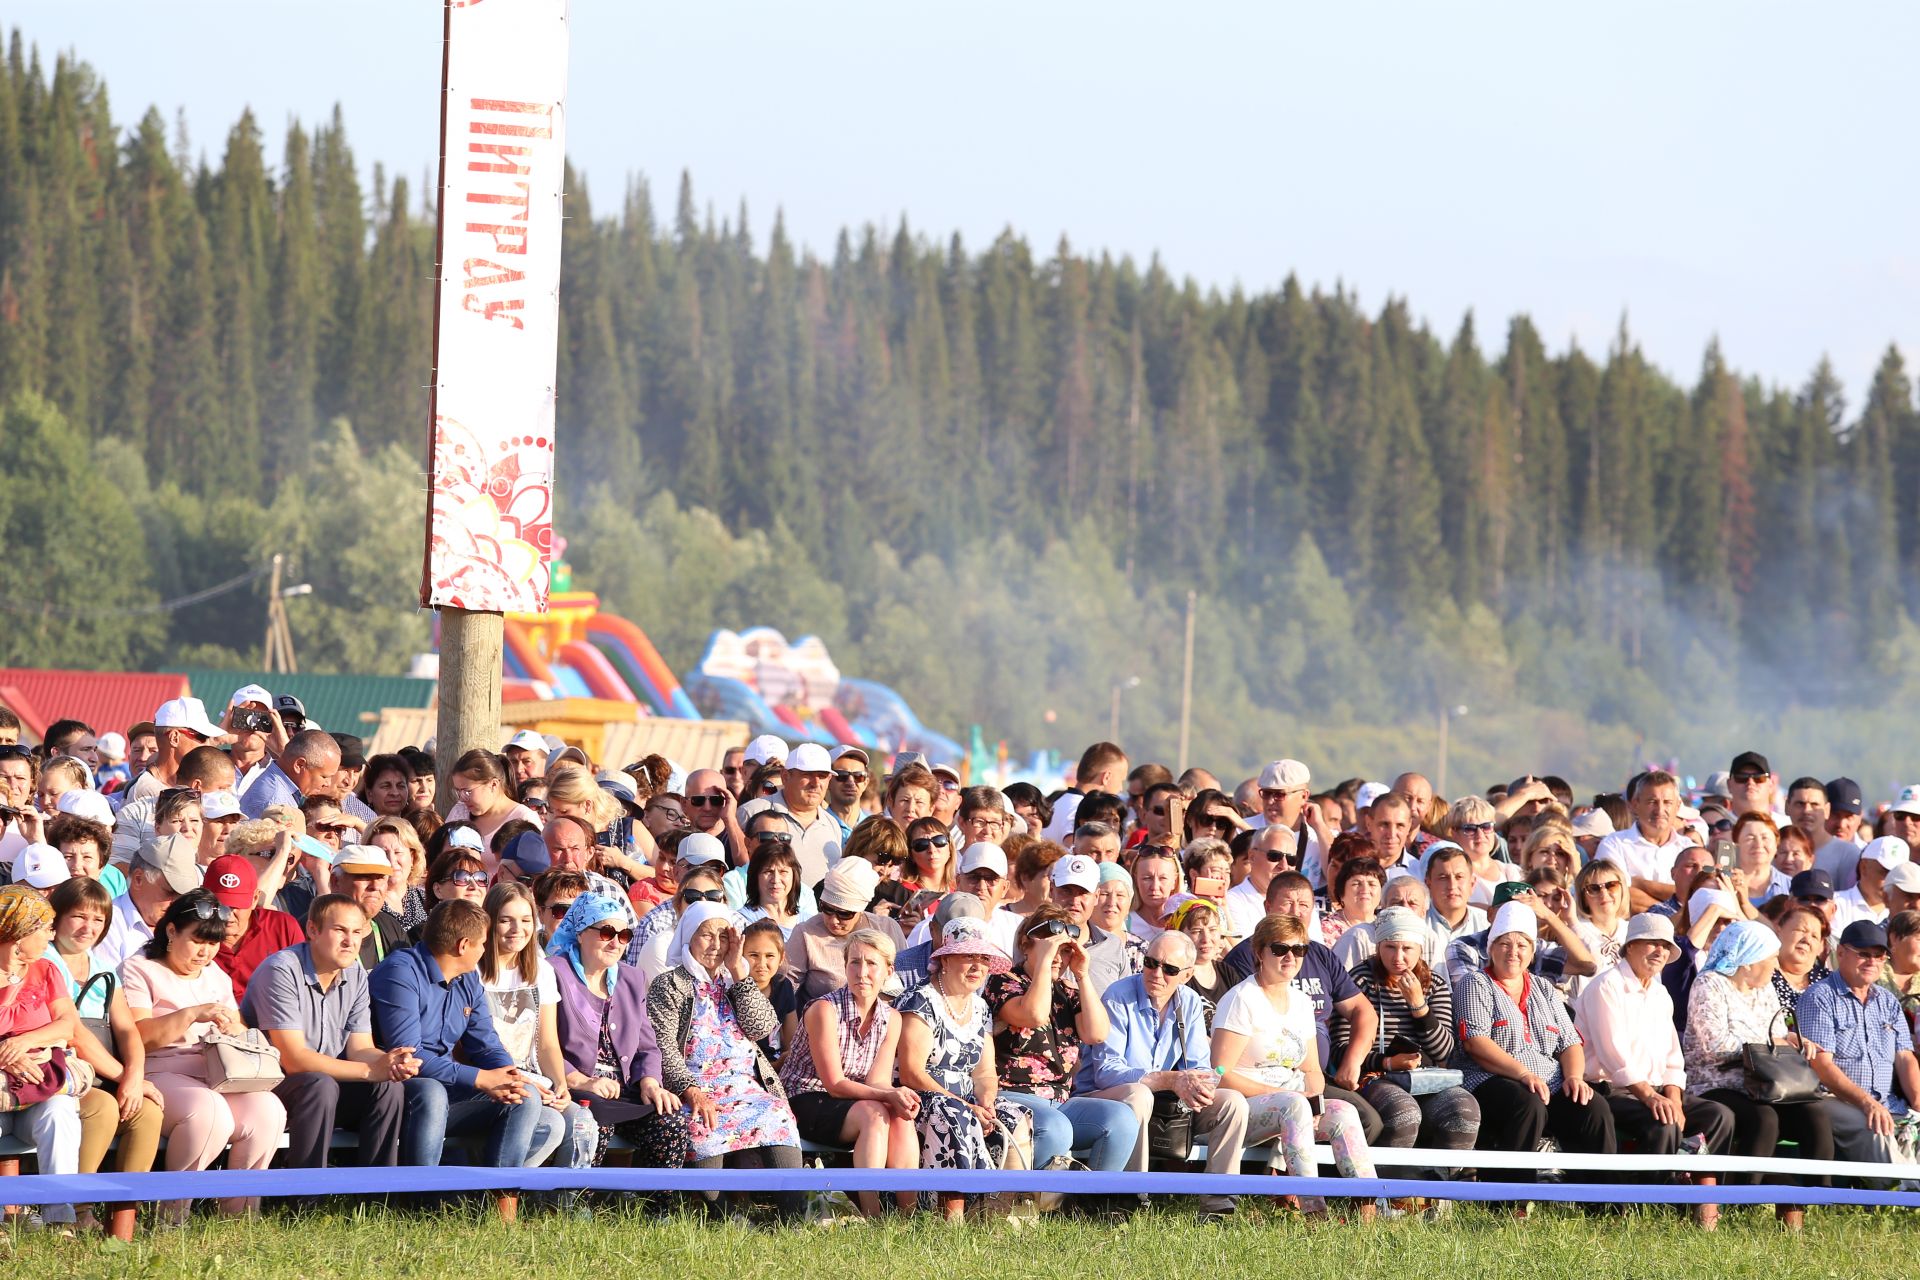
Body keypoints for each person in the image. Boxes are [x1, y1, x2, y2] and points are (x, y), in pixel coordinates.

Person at [123, 888, 289, 1220]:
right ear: (171, 931)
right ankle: (173, 1214)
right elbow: (137, 1036)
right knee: (208, 1112)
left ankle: (239, 1214)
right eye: (198, 941)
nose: (205, 952)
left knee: (268, 1109)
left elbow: (239, 1030)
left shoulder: (217, 976)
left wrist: (235, 1030)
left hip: (216, 1072)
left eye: (213, 944)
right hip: (160, 1070)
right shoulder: (139, 969)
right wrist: (190, 1014)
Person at [1210, 913, 1376, 1219]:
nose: (1291, 956)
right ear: (1259, 952)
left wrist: (1311, 1103)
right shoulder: (1241, 1000)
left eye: (1299, 950)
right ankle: (1314, 1213)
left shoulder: (1301, 1002)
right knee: (1293, 1105)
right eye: (1279, 949)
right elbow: (1220, 1074)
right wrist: (1292, 1099)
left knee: (1345, 1113)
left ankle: (1368, 1209)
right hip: (1242, 1108)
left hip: (1293, 1102)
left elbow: (1312, 1069)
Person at [1077, 930, 1250, 1220]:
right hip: (1103, 1099)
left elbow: (1198, 1065)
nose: (1157, 973)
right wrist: (1169, 1079)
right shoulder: (1118, 996)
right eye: (1150, 962)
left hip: (1165, 1102)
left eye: (1169, 969)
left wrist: (1199, 1084)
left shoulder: (1191, 1002)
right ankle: (1129, 1198)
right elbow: (1106, 1073)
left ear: (1186, 975)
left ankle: (1219, 1205)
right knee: (1139, 1093)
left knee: (1233, 1102)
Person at [1573, 912, 1733, 1223]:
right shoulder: (1607, 986)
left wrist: (1672, 1096)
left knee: (1719, 1116)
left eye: (1665, 945)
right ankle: (1648, 1205)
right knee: (1663, 1123)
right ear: (1630, 947)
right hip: (1609, 1090)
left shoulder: (1660, 993)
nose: (1659, 951)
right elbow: (1613, 1055)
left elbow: (1673, 1055)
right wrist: (1652, 1098)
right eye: (1651, 944)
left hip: (1653, 1089)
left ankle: (1697, 1200)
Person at [647, 902, 804, 1216]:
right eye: (706, 935)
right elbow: (663, 1047)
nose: (715, 945)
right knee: (705, 1127)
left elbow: (762, 1027)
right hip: (695, 1088)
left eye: (723, 936)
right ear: (689, 936)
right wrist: (692, 1091)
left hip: (746, 1086)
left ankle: (793, 1219)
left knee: (777, 1115)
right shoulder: (669, 984)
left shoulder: (735, 980)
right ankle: (722, 1217)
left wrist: (738, 973)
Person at [1682, 918, 1836, 1231]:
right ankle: (1743, 1201)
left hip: (1764, 1082)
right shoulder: (1709, 983)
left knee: (1814, 1113)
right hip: (1716, 1081)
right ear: (1749, 961)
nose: (1773, 966)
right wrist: (1770, 1044)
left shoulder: (1764, 989)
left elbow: (1778, 1034)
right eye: (1769, 959)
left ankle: (1820, 1200)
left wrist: (1794, 1040)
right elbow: (1714, 1045)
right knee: (1764, 1118)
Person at [370, 899, 546, 1168]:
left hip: (447, 1083)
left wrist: (509, 1076)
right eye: (483, 943)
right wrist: (480, 1078)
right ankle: (419, 1197)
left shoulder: (468, 978)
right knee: (431, 1092)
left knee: (525, 1097)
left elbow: (485, 1043)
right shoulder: (400, 972)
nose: (486, 949)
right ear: (463, 945)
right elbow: (409, 1057)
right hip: (396, 1085)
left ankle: (500, 1198)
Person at [240, 894, 412, 1169]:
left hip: (323, 1085)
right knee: (320, 1085)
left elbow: (359, 1048)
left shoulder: (355, 973)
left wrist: (387, 1063)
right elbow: (293, 1060)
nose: (350, 941)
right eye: (340, 930)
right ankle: (307, 1198)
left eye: (357, 932)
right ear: (312, 930)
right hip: (272, 1086)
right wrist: (369, 1071)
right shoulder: (281, 970)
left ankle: (377, 1197)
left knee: (387, 1087)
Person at [1456, 901, 1615, 1182]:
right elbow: (1475, 1043)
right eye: (1505, 943)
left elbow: (1569, 1042)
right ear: (1491, 947)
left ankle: (1602, 1202)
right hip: (1489, 1077)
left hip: (1546, 1080)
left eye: (1522, 945)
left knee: (1593, 1106)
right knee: (1526, 1102)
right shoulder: (1475, 983)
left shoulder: (1543, 987)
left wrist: (1575, 1078)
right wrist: (1522, 1073)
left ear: (1532, 952)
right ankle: (1510, 1200)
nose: (1513, 952)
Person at [895, 918, 1033, 1221]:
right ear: (944, 959)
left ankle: (997, 1217)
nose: (978, 966)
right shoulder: (920, 1000)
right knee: (955, 1115)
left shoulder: (981, 1006)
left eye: (984, 958)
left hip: (966, 1097)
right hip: (922, 1098)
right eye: (968, 956)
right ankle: (951, 1220)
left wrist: (986, 1103)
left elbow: (984, 1072)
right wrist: (967, 1106)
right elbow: (911, 1073)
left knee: (1014, 1117)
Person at [986, 906, 1138, 1182]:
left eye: (1066, 950)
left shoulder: (1069, 991)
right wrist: (1043, 963)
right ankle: (1036, 1203)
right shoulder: (1004, 983)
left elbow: (1097, 1033)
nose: (1059, 957)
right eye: (1051, 946)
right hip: (1011, 1097)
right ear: (1026, 944)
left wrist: (1082, 975)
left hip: (1060, 1100)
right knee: (1057, 1128)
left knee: (1121, 1119)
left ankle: (1091, 1204)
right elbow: (1033, 1015)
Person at [777, 927, 919, 1218]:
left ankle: (909, 1215)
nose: (862, 972)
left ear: (888, 971)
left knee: (902, 1116)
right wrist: (888, 1095)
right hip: (805, 1098)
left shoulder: (891, 1018)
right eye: (854, 962)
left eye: (871, 963)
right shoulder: (824, 1010)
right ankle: (873, 1215)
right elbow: (835, 1084)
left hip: (854, 1099)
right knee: (874, 1112)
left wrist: (894, 1097)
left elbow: (877, 1080)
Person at [545, 892, 692, 1171]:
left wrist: (650, 1082)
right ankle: (578, 1203)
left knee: (669, 1118)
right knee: (591, 1120)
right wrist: (581, 1081)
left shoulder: (631, 978)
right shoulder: (554, 972)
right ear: (580, 933)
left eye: (624, 935)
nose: (615, 942)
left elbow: (647, 1046)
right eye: (607, 932)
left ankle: (657, 1210)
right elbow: (542, 1043)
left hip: (625, 1087)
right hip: (575, 1085)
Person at [1334, 906, 1479, 1172]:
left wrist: (1419, 1006)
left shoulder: (1434, 984)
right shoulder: (1360, 980)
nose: (1398, 957)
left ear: (1420, 949)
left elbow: (1445, 1049)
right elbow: (1341, 1048)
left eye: (1407, 949)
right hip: (1375, 1076)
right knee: (1403, 1112)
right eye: (1390, 947)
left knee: (1464, 1109)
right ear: (1378, 947)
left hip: (1426, 1078)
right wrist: (1388, 1062)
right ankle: (1388, 1196)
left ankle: (1440, 1196)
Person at [44, 876, 164, 1192]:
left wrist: (136, 1078)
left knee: (147, 1113)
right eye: (79, 916)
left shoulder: (104, 969)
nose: (89, 927)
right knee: (103, 1107)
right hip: (59, 1073)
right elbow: (76, 1034)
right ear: (57, 917)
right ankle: (76, 1205)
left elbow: (127, 1030)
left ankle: (124, 1211)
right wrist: (126, 1078)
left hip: (103, 1073)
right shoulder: (44, 962)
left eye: (98, 919)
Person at [1796, 920, 1920, 1162]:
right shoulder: (1820, 997)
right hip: (1832, 1098)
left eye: (1879, 955)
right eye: (1863, 954)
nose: (1872, 961)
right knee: (1876, 1127)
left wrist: (1917, 1101)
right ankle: (1906, 1195)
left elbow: (1905, 1057)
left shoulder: (1888, 1001)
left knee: (1912, 1125)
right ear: (1840, 953)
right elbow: (1821, 1066)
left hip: (1886, 1101)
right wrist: (1866, 1102)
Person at [477, 881, 581, 1168]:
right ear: (490, 922)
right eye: (505, 920)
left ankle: (558, 1202)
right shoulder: (474, 970)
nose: (516, 929)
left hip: (537, 1080)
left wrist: (561, 1085)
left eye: (525, 920)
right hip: (493, 1081)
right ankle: (502, 1193)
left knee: (579, 1120)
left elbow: (547, 1043)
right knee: (551, 1124)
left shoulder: (541, 970)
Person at [0, 884, 84, 1233]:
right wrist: (6, 1056)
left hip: (34, 1090)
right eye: (44, 927)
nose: (52, 932)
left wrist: (26, 1041)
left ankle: (59, 1218)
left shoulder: (47, 970)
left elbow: (68, 1023)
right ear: (19, 934)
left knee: (60, 1112)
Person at [782, 858, 905, 1004]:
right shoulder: (805, 933)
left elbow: (906, 982)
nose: (833, 920)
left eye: (844, 914)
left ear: (860, 909)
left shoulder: (888, 928)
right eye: (827, 909)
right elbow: (785, 993)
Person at [95, 833, 202, 970]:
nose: (176, 902)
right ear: (138, 879)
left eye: (183, 895)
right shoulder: (106, 923)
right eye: (169, 892)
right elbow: (109, 987)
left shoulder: (187, 923)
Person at [205, 854, 304, 992]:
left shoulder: (283, 927)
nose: (228, 914)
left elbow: (304, 983)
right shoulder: (192, 934)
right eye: (220, 905)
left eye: (236, 905)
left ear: (255, 899)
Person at [239, 728, 341, 822]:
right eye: (324, 776)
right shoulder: (276, 803)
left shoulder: (279, 789)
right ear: (299, 765)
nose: (327, 783)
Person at [445, 749, 542, 847]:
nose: (462, 798)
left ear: (493, 784)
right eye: (458, 791)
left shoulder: (524, 818)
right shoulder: (459, 811)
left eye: (467, 791)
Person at [1169, 896, 1232, 1006]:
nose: (1206, 939)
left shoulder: (1227, 972)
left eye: (1212, 930)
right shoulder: (1174, 975)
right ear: (1180, 935)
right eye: (1196, 931)